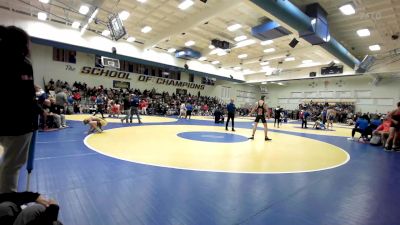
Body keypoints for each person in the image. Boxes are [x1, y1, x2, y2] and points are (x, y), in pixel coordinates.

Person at [0, 26, 40, 193]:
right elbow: (24, 95)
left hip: (4, 120)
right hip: (18, 123)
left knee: (8, 164)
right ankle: (8, 207)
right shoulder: (22, 63)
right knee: (11, 166)